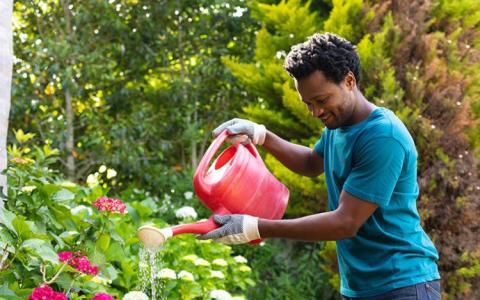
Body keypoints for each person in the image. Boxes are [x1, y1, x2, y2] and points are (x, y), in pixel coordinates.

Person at [197, 33, 441, 299]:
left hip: (403, 284)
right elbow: (312, 163)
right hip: (360, 286)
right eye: (308, 104)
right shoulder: (340, 125)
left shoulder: (383, 137)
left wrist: (256, 227)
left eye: (321, 100)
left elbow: (345, 222)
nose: (315, 112)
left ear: (349, 81)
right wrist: (261, 135)